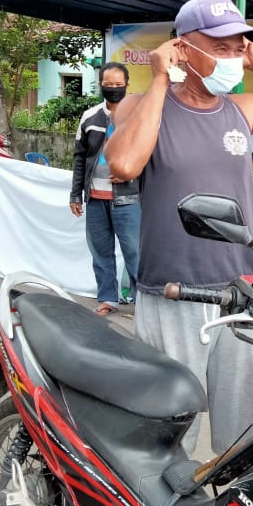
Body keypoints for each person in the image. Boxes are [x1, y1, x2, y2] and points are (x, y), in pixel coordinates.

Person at [104, 0, 253, 455]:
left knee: (246, 433)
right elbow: (125, 164)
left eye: (238, 48)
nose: (232, 57)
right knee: (169, 430)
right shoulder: (142, 103)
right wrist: (157, 80)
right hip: (173, 291)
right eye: (221, 47)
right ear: (182, 49)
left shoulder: (243, 109)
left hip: (241, 292)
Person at [70, 62, 141, 316]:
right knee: (101, 251)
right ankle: (108, 299)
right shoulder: (90, 117)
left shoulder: (138, 116)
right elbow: (80, 158)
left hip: (129, 199)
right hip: (95, 199)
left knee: (134, 252)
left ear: (127, 86)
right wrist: (76, 193)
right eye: (108, 85)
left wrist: (130, 172)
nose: (113, 89)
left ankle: (142, 302)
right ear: (100, 85)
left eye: (118, 85)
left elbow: (149, 156)